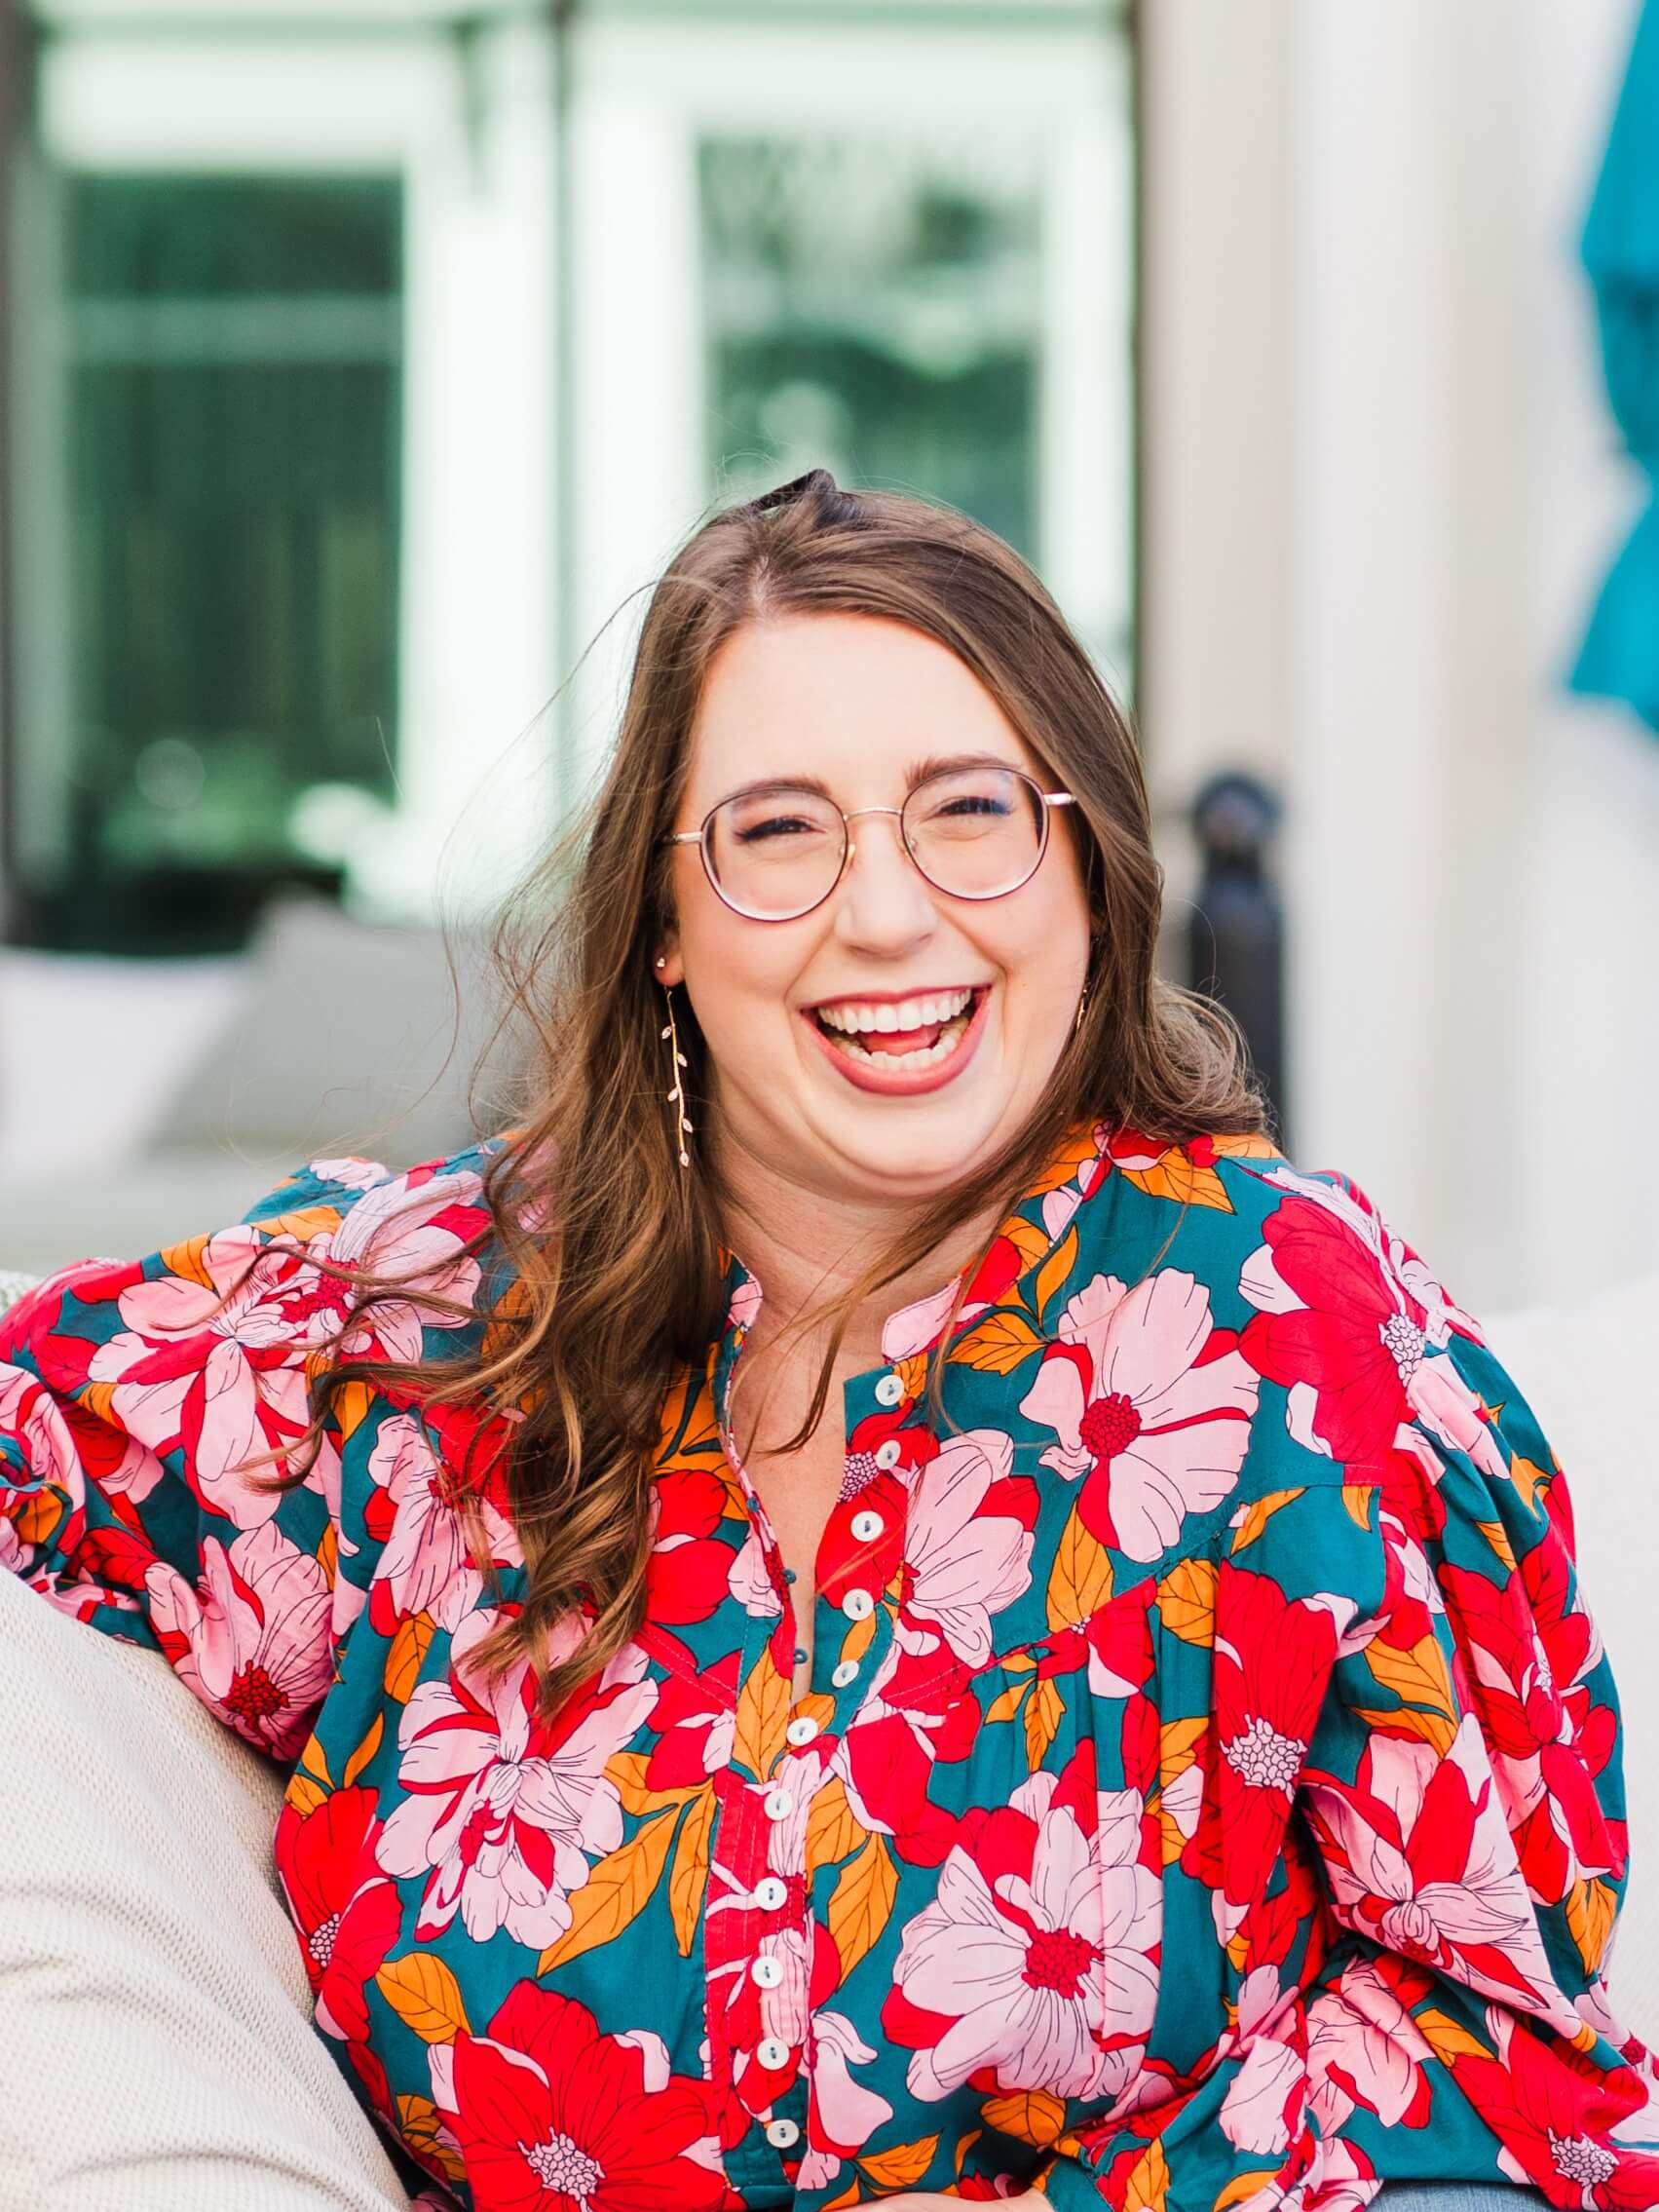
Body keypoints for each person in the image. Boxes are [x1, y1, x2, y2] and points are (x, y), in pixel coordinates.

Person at [2, 468, 1655, 2212]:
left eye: (968, 811)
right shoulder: (429, 1322)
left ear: (1083, 869)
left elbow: (1517, 2051)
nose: (887, 913)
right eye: (782, 832)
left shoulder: (1307, 1343)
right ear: (660, 921)